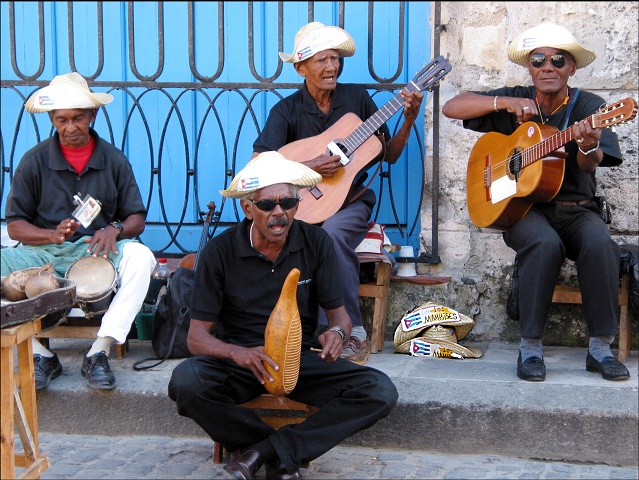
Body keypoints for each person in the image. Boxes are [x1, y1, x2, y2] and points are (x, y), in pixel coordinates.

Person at [168, 151, 399, 480]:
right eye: (267, 205)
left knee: (379, 391)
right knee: (185, 382)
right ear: (248, 208)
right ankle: (280, 453)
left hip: (298, 359)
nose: (279, 213)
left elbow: (340, 316)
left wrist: (337, 333)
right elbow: (196, 338)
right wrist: (236, 353)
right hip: (242, 361)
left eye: (288, 203)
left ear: (297, 205)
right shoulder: (220, 251)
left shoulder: (315, 241)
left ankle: (260, 453)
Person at [442, 23, 630, 382]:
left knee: (601, 244)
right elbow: (453, 106)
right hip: (524, 210)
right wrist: (503, 102)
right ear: (529, 67)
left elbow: (590, 164)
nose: (548, 67)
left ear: (572, 67)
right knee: (544, 244)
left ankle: (600, 349)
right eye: (538, 60)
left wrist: (589, 144)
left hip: (577, 209)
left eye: (558, 60)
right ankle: (530, 348)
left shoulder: (590, 107)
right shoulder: (517, 97)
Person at [252, 22, 423, 365]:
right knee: (279, 234)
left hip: (351, 202)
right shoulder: (286, 110)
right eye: (322, 60)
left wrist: (408, 119)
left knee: (329, 234)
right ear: (301, 68)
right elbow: (258, 163)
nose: (332, 67)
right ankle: (285, 328)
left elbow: (389, 154)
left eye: (335, 59)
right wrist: (310, 165)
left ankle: (351, 331)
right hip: (302, 204)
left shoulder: (355, 98)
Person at [1, 72, 156, 390]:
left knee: (142, 258)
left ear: (92, 115)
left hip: (97, 250)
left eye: (77, 118)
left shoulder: (113, 160)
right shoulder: (33, 162)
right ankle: (40, 354)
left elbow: (136, 218)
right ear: (52, 119)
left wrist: (114, 229)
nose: (70, 127)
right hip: (44, 253)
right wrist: (50, 235)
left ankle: (99, 350)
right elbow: (15, 226)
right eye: (62, 120)